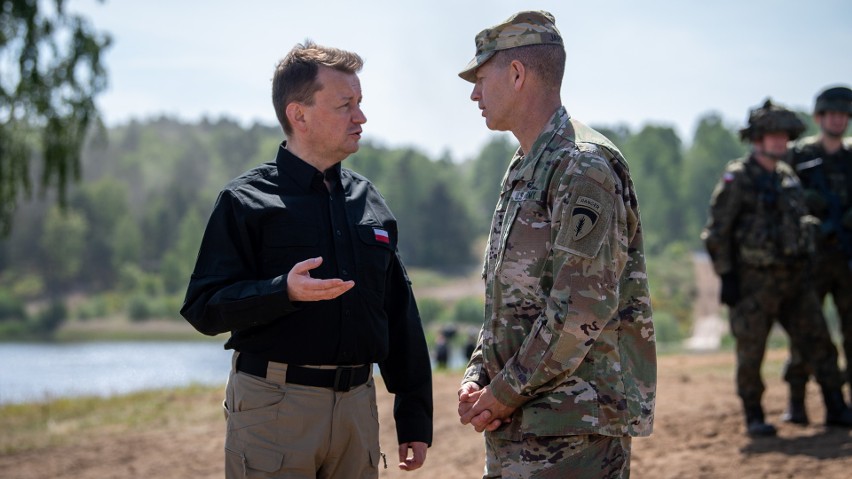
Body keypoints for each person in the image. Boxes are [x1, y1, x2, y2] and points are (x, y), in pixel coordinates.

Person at [180, 40, 432, 478]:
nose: (361, 117)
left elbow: (398, 313)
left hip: (357, 408)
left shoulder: (368, 200)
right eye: (345, 104)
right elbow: (204, 307)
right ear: (299, 114)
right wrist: (283, 292)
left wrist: (414, 416)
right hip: (273, 408)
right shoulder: (244, 201)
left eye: (360, 103)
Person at [455, 11, 656, 478]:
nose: (474, 93)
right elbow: (507, 299)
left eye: (481, 78)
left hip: (574, 429)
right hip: (522, 424)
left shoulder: (581, 166)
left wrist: (502, 393)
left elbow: (580, 311)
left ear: (517, 74)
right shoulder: (525, 165)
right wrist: (477, 377)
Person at [702, 99, 852, 436]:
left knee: (819, 343)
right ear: (756, 138)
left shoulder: (788, 176)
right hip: (754, 283)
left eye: (783, 136)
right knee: (751, 352)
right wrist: (727, 277)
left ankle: (836, 407)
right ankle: (754, 415)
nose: (778, 142)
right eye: (770, 135)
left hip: (796, 280)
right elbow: (716, 233)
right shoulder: (738, 178)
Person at [785, 85, 852, 421]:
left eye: (844, 115)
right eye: (832, 114)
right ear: (819, 118)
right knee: (806, 332)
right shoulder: (797, 156)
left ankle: (842, 408)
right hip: (810, 260)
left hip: (847, 258)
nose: (838, 120)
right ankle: (796, 402)